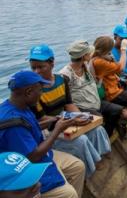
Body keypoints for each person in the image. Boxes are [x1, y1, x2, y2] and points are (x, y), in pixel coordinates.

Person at [0, 70, 85, 198]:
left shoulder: (19, 106)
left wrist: (54, 121)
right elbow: (33, 156)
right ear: (28, 92)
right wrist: (57, 130)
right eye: (40, 90)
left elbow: (29, 130)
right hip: (25, 167)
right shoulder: (13, 124)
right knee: (69, 194)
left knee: (77, 167)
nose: (41, 94)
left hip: (40, 154)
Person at [28, 45, 111, 177]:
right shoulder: (34, 90)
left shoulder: (61, 80)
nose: (36, 71)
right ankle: (88, 171)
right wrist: (72, 121)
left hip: (64, 119)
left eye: (40, 67)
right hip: (48, 129)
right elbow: (42, 119)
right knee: (81, 140)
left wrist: (83, 117)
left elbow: (69, 104)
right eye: (33, 68)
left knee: (97, 129)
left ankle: (98, 159)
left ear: (52, 63)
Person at [60, 40, 127, 136]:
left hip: (96, 102)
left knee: (117, 110)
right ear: (84, 56)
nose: (92, 54)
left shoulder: (86, 66)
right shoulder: (66, 75)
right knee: (99, 118)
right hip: (82, 107)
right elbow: (66, 101)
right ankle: (103, 136)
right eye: (89, 53)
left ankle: (108, 134)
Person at [91, 35, 127, 108]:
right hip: (113, 93)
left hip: (118, 86)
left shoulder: (101, 57)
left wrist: (111, 58)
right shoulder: (98, 62)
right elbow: (121, 68)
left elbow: (117, 72)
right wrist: (123, 50)